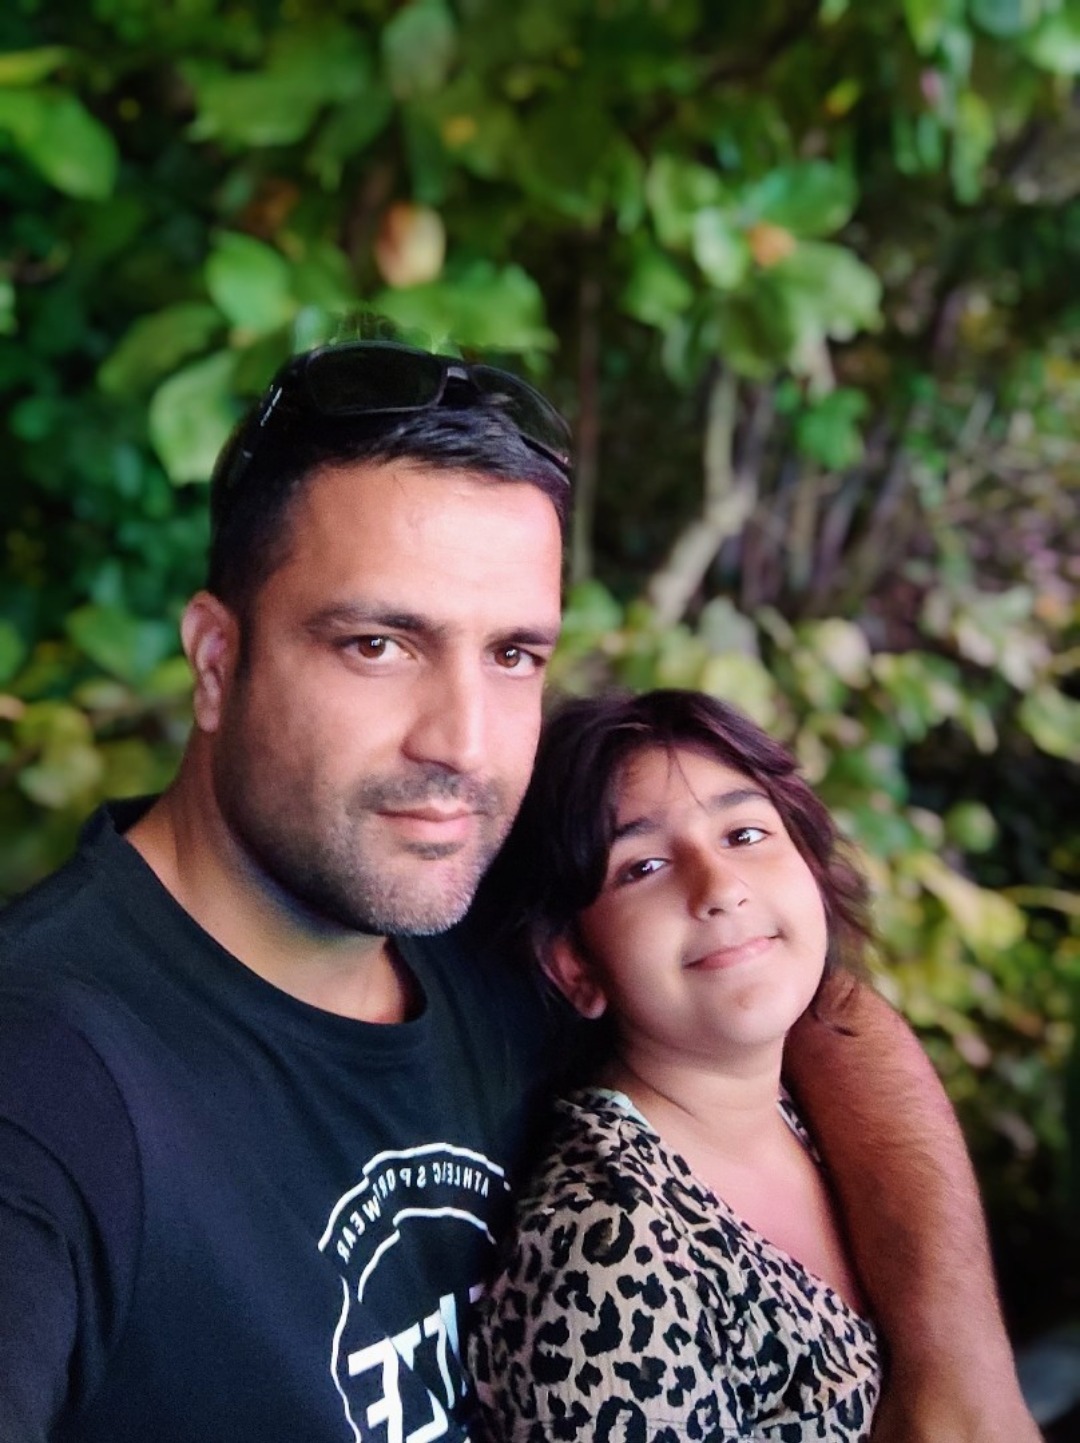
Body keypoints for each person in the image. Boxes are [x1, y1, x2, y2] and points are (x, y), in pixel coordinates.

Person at [0, 338, 1038, 1443]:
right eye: (378, 645)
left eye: (512, 657)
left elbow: (809, 1000)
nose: (462, 744)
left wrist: (960, 1375)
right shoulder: (47, 1081)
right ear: (216, 659)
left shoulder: (467, 900)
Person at [468, 688, 883, 1440]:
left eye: (746, 833)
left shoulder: (811, 1110)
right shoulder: (609, 1251)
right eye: (645, 865)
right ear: (574, 965)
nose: (720, 887)